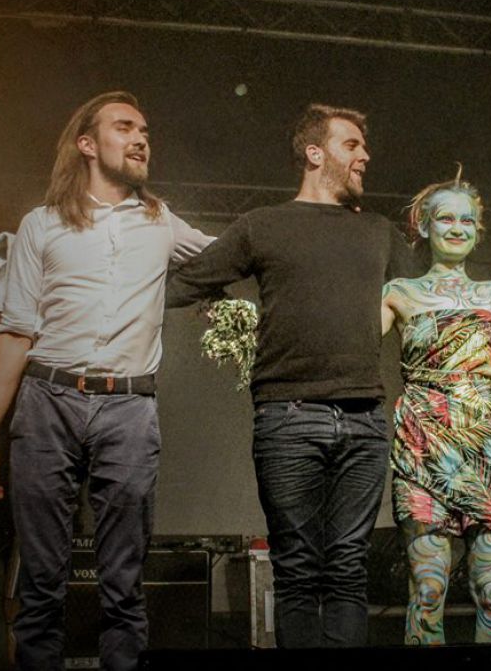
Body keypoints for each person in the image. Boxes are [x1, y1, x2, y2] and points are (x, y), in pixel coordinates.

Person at [0, 91, 215, 671]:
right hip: (46, 402)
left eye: (145, 130)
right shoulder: (42, 224)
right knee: (41, 584)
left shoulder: (160, 221)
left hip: (128, 408)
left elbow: (228, 256)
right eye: (124, 127)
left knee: (123, 584)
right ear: (86, 143)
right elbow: (15, 332)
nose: (141, 138)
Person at [166, 103, 413, 648]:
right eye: (352, 145)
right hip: (289, 417)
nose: (365, 156)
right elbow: (183, 283)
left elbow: (438, 291)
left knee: (348, 570)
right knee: (297, 571)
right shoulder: (264, 225)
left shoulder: (378, 231)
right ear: (314, 153)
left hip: (365, 419)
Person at [380, 176, 491, 645]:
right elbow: (348, 343)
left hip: (490, 456)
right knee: (427, 590)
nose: (457, 227)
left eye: (467, 220)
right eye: (445, 218)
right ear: (423, 225)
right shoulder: (399, 292)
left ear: (478, 231)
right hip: (423, 452)